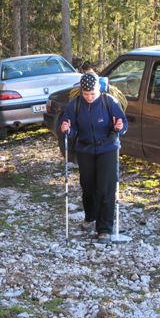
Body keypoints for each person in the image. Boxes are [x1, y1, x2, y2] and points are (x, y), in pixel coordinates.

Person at [60, 72, 128, 242]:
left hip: (108, 148)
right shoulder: (74, 105)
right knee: (88, 187)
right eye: (86, 94)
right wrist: (67, 129)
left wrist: (120, 126)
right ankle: (90, 217)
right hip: (85, 149)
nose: (89, 97)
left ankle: (104, 228)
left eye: (92, 93)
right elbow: (71, 128)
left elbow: (123, 123)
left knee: (106, 188)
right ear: (81, 91)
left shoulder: (109, 102)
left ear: (99, 89)